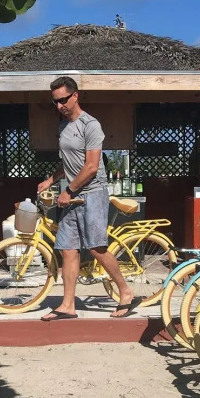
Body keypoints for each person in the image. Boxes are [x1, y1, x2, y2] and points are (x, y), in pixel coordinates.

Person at [37, 76, 135, 320]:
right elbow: (69, 162)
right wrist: (51, 179)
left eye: (63, 100)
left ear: (75, 95)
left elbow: (91, 167)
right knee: (68, 250)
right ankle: (68, 305)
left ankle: (125, 291)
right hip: (72, 194)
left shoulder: (91, 125)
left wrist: (68, 191)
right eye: (55, 102)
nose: (59, 106)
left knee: (96, 247)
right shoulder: (63, 126)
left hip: (92, 192)